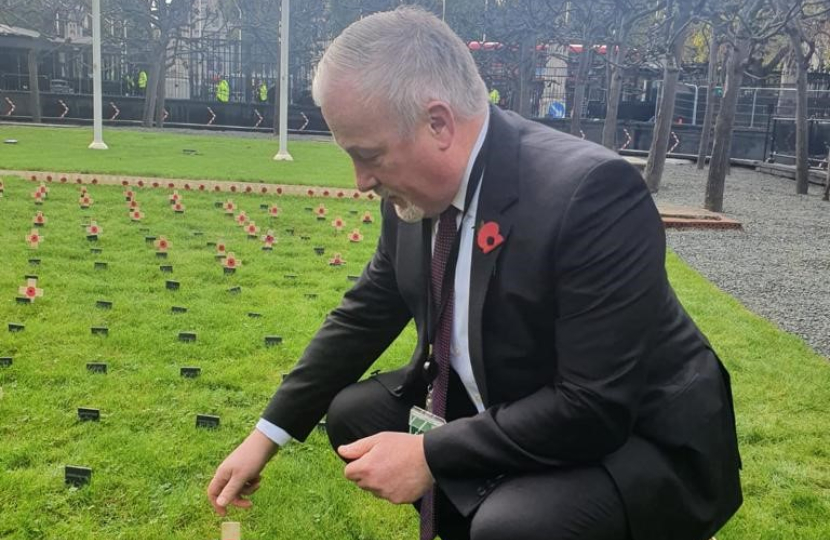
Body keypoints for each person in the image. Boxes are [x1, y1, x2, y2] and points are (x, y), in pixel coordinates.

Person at [207, 8, 742, 540]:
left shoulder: (590, 194)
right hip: (516, 398)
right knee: (357, 416)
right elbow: (365, 312)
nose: (361, 181)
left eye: (368, 155)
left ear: (438, 124)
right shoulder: (411, 197)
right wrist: (265, 435)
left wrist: (430, 455)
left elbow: (595, 406)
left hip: (637, 438)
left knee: (515, 527)